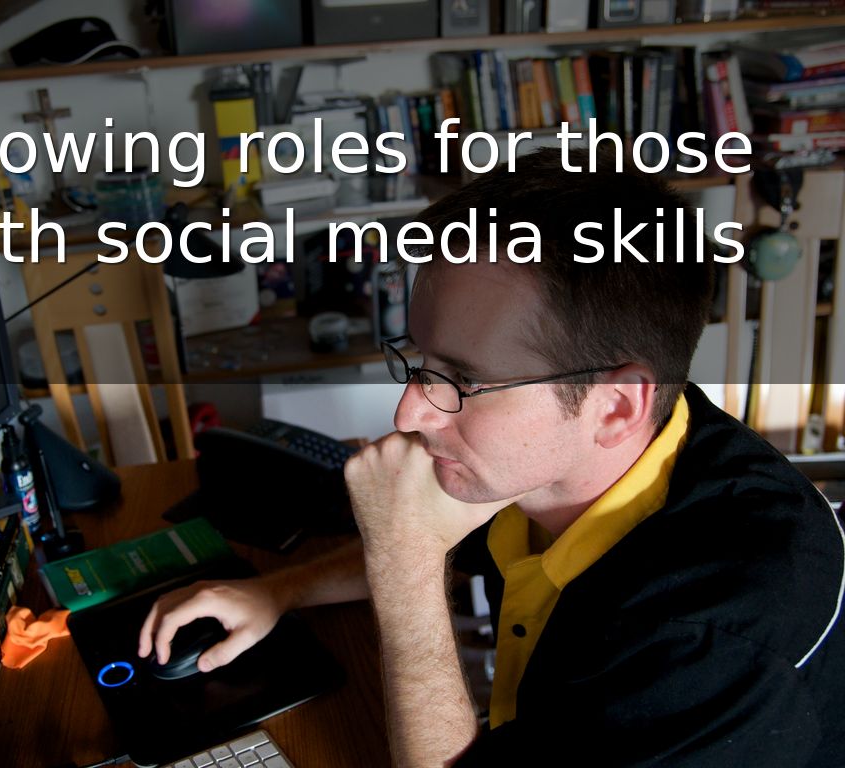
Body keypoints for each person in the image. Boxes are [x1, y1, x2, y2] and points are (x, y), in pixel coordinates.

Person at [139, 149, 845, 765]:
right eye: (420, 361)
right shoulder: (591, 449)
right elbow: (460, 532)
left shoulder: (707, 643)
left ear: (615, 406)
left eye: (463, 380)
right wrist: (280, 591)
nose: (409, 413)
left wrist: (405, 562)